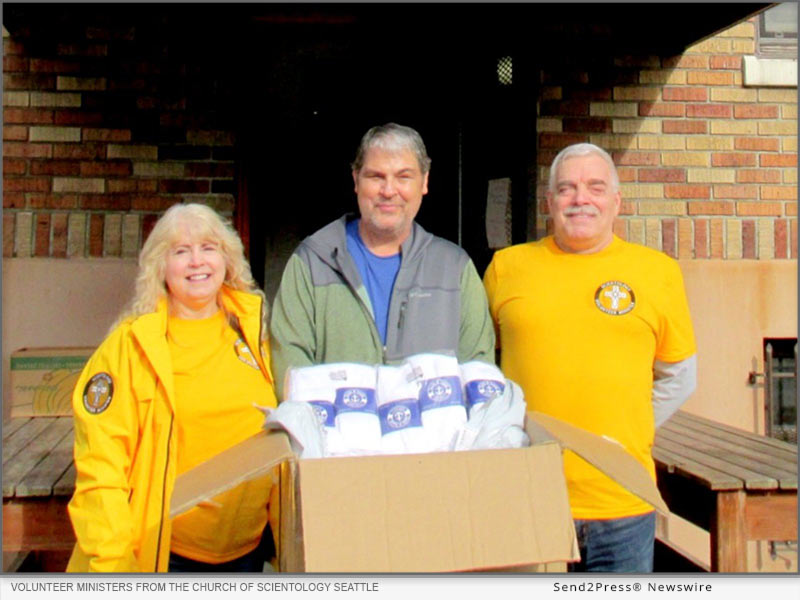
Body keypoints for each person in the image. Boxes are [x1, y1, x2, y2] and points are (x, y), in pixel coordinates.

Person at [483, 143, 697, 573]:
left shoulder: (658, 272)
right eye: (567, 189)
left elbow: (680, 375)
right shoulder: (507, 267)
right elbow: (481, 374)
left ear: (616, 202)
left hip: (621, 500)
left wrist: (629, 428)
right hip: (529, 496)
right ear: (549, 202)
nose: (581, 199)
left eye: (595, 187)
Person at [66, 203, 279, 572]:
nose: (197, 262)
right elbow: (101, 470)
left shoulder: (255, 332)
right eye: (181, 252)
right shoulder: (130, 348)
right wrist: (114, 568)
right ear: (160, 267)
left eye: (208, 248)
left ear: (227, 259)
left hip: (249, 554)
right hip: (167, 557)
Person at [270, 123, 495, 397]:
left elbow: (478, 375)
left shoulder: (454, 269)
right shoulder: (312, 262)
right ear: (356, 180)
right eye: (376, 176)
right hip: (336, 437)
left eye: (404, 177)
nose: (389, 191)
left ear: (424, 182)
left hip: (437, 439)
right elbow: (292, 376)